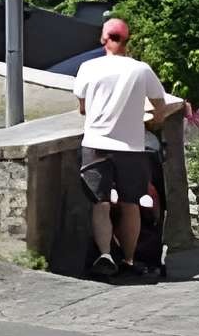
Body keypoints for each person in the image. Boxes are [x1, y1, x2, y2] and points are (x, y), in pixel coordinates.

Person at [73, 15, 183, 278]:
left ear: (103, 39)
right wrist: (154, 119)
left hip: (96, 143)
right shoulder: (141, 69)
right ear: (127, 41)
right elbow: (160, 105)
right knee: (130, 203)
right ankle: (130, 260)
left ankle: (105, 254)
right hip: (132, 147)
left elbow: (82, 108)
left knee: (99, 203)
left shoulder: (88, 67)